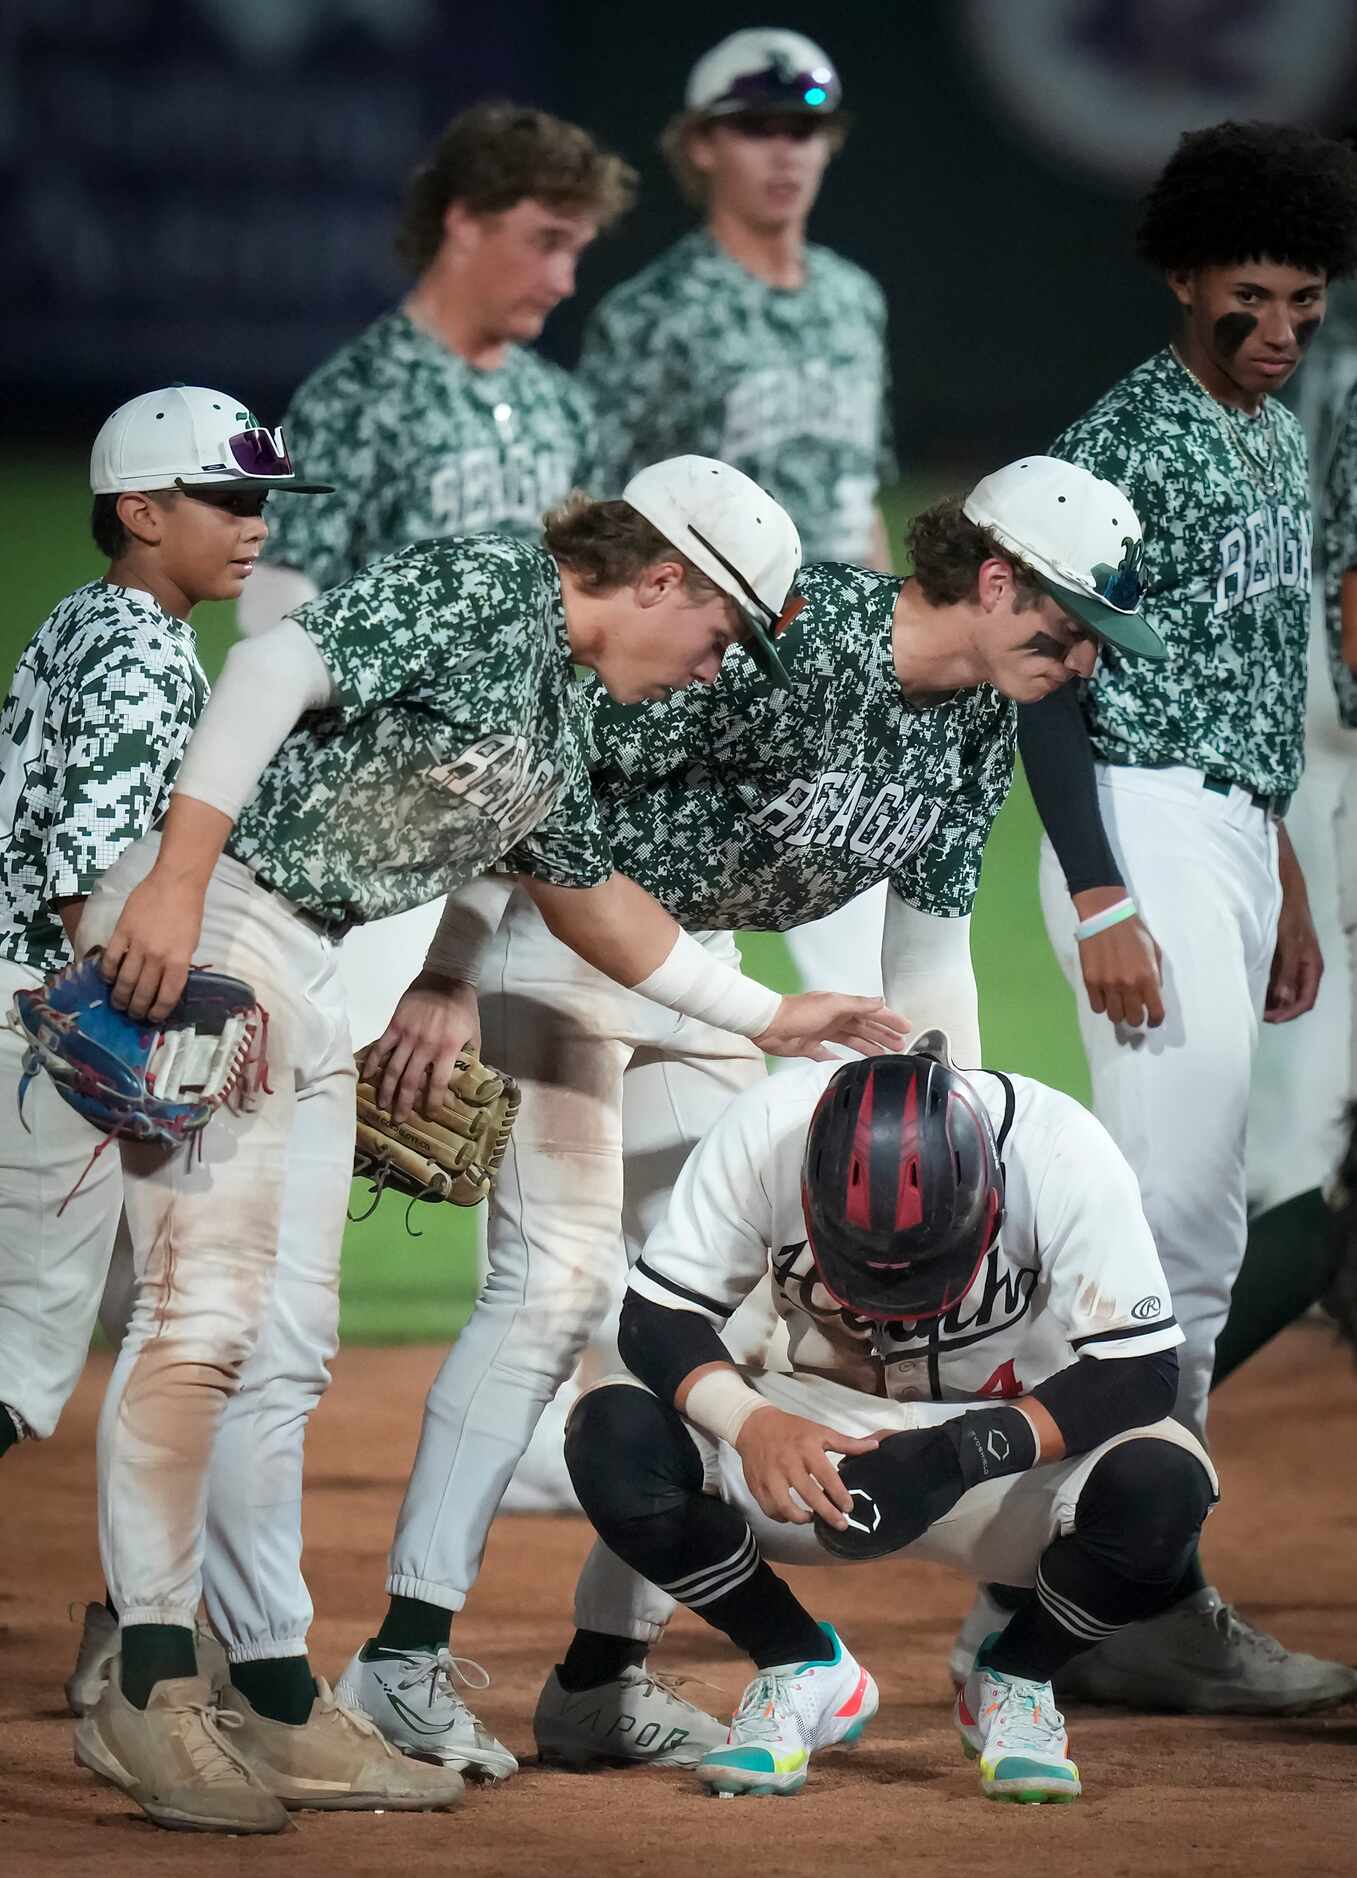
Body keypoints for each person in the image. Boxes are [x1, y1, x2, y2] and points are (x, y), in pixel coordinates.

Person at [70, 456, 898, 1834]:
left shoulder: (564, 715)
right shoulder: (482, 587)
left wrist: (778, 1010)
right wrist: (172, 880)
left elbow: (598, 909)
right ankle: (148, 1682)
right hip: (214, 926)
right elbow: (273, 671)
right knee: (199, 1318)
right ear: (662, 578)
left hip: (310, 969)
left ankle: (275, 1692)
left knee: (289, 1345)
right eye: (719, 631)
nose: (715, 667)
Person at [334, 455, 1168, 1778]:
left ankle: (603, 1680)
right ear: (993, 581)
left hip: (702, 972)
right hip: (557, 945)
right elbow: (546, 771)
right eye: (1067, 627)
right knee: (552, 1289)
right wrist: (446, 964)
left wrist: (954, 1129)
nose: (1078, 661)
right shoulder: (799, 642)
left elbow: (931, 942)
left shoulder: (974, 720)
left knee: (709, 1311)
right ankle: (400, 1658)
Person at [1015, 120, 1357, 1712]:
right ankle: (1091, 1599)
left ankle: (1102, 1583)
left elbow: (1249, 673)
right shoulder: (1124, 442)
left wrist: (1282, 870)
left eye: (1303, 299)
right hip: (1135, 824)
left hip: (1230, 831)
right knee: (1169, 1227)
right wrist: (1099, 896)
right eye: (1252, 295)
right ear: (1181, 273)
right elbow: (1044, 686)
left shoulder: (1272, 433)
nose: (1281, 328)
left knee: (1193, 1224)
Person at [561, 1034, 1216, 1803]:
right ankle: (801, 1667)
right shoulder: (769, 1126)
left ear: (987, 1192)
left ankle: (1017, 1679)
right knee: (612, 1429)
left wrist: (954, 1454)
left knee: (1163, 1485)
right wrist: (751, 1423)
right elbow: (655, 1318)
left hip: (1007, 1451)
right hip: (815, 1437)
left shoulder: (1058, 1147)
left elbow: (1138, 1371)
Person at [240, 101, 635, 1050]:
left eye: (575, 248)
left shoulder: (560, 407)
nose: (563, 277)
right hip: (390, 814)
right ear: (462, 219)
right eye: (544, 242)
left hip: (529, 818)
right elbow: (274, 598)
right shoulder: (359, 392)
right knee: (345, 1088)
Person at [0, 384, 330, 1463]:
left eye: (260, 502)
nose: (256, 527)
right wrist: (137, 1022)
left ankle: (134, 1617)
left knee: (148, 1315)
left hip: (22, 1010)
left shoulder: (85, 618)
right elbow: (89, 872)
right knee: (21, 1360)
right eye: (226, 499)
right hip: (44, 1031)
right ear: (142, 512)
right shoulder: (144, 652)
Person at [577, 27, 898, 994]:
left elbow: (862, 490)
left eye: (805, 129)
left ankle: (868, 1138)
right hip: (706, 666)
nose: (785, 152)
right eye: (755, 127)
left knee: (867, 971)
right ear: (702, 146)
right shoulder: (652, 313)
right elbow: (603, 520)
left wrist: (888, 658)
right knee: (661, 966)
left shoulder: (854, 300)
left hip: (844, 670)